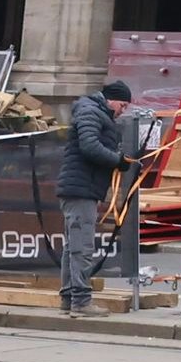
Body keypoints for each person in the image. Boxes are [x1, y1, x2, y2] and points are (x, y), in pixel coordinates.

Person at [58, 78, 139, 314]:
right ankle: (81, 301)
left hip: (81, 187)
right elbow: (90, 146)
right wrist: (117, 160)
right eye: (122, 105)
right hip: (81, 188)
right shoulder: (90, 112)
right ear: (111, 99)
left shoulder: (92, 112)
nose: (122, 111)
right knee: (81, 246)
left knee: (72, 246)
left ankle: (68, 297)